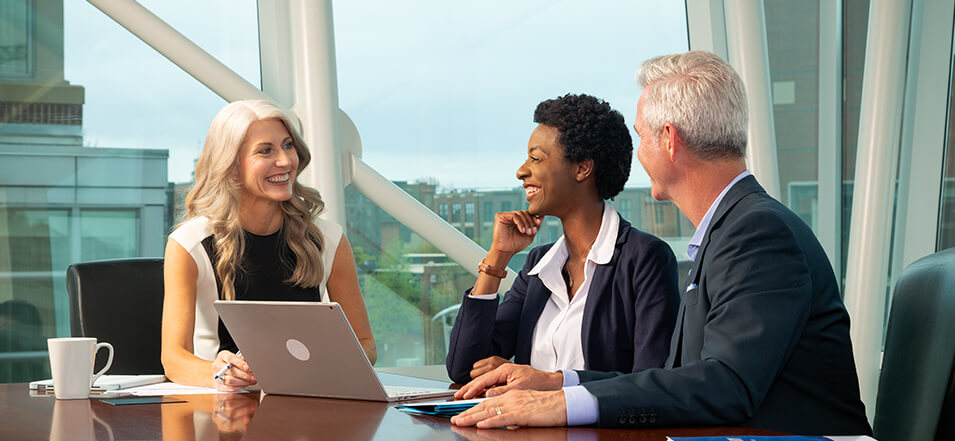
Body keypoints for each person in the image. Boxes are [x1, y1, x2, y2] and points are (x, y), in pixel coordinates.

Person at [450, 51, 872, 436]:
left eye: (642, 136)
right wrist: (559, 381)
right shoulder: (734, 228)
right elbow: (679, 375)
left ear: (669, 140)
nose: (639, 155)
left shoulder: (757, 233)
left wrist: (563, 402)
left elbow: (726, 385)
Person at [445, 94, 679, 385]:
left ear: (582, 168)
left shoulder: (645, 258)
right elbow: (464, 368)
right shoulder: (539, 265)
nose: (521, 171)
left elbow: (651, 381)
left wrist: (550, 381)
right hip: (527, 429)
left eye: (536, 158)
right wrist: (497, 257)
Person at [161, 100, 376, 391]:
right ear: (231, 165)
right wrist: (220, 373)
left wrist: (320, 367)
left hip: (308, 405)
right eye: (266, 151)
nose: (286, 161)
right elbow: (174, 359)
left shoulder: (329, 240)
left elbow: (366, 345)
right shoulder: (189, 245)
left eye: (288, 146)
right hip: (222, 411)